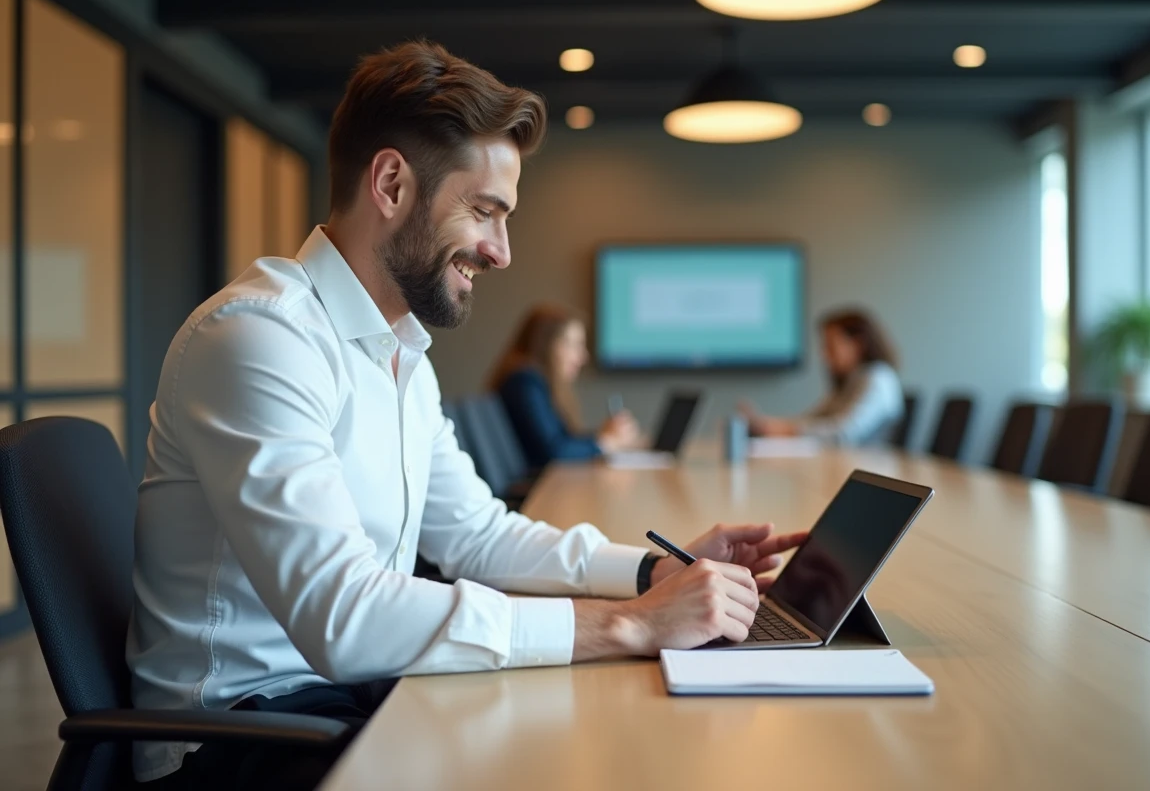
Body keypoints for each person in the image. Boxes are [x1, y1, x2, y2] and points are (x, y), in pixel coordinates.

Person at [129, 40, 806, 790]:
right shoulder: (260, 338)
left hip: (347, 700)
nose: (502, 251)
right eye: (484, 211)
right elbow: (343, 617)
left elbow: (479, 537)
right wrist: (633, 624)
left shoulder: (398, 354)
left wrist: (656, 570)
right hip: (235, 741)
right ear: (391, 184)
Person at [488, 304, 640, 466]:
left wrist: (604, 436)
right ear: (546, 345)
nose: (583, 357)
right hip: (540, 487)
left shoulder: (535, 383)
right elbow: (555, 452)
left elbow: (562, 439)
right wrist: (607, 442)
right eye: (574, 345)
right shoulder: (525, 383)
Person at [741, 308, 903, 446]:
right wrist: (770, 425)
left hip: (871, 467)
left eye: (831, 346)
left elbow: (843, 434)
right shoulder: (851, 381)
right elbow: (816, 419)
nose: (824, 355)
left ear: (858, 344)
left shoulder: (878, 378)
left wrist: (784, 429)